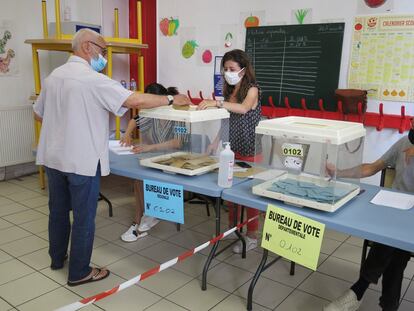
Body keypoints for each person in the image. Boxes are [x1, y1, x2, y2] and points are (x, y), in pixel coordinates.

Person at [33, 28, 190, 286]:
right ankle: (80, 272)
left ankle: (57, 259)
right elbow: (135, 99)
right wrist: (172, 98)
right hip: (80, 161)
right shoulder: (92, 79)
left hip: (52, 158)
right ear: (87, 47)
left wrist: (65, 120)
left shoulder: (53, 78)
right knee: (84, 217)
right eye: (102, 50)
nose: (103, 56)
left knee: (58, 212)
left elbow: (39, 114)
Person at [324, 131, 414, 311]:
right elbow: (372, 167)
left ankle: (358, 291)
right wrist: (338, 173)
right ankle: (388, 305)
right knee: (395, 249)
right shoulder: (404, 142)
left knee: (391, 243)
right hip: (393, 212)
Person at [197, 49, 262, 253]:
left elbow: (242, 109)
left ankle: (251, 236)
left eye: (231, 69)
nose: (227, 72)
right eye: (224, 69)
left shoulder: (253, 90)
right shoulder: (229, 91)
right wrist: (215, 142)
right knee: (231, 194)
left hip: (251, 148)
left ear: (243, 70)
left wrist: (215, 102)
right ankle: (233, 231)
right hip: (230, 148)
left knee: (250, 197)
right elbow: (227, 120)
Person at [120, 83, 182, 242]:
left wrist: (150, 147)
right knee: (138, 179)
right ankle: (140, 220)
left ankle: (146, 217)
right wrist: (127, 134)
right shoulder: (149, 114)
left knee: (147, 180)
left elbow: (177, 143)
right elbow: (135, 120)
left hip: (174, 160)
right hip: (155, 157)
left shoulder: (175, 114)